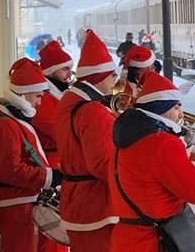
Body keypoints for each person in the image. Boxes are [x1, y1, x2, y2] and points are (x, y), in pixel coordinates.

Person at [110, 70, 195, 252]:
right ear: (160, 108)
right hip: (156, 240)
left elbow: (146, 173)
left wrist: (183, 154)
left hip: (128, 239)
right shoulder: (162, 143)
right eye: (176, 107)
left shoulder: (128, 137)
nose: (181, 114)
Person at [0, 58, 59, 252]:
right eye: (38, 96)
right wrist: (49, 177)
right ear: (25, 93)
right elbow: (9, 170)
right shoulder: (2, 124)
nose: (39, 103)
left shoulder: (7, 116)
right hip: (17, 204)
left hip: (21, 200)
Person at [54, 29, 118, 251]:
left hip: (77, 202)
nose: (115, 81)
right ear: (99, 77)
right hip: (96, 206)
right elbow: (103, 164)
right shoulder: (93, 111)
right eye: (112, 75)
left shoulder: (68, 101)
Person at [33, 40, 74, 164]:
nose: (70, 73)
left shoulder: (59, 93)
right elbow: (58, 131)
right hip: (52, 160)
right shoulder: (43, 98)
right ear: (50, 71)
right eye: (65, 69)